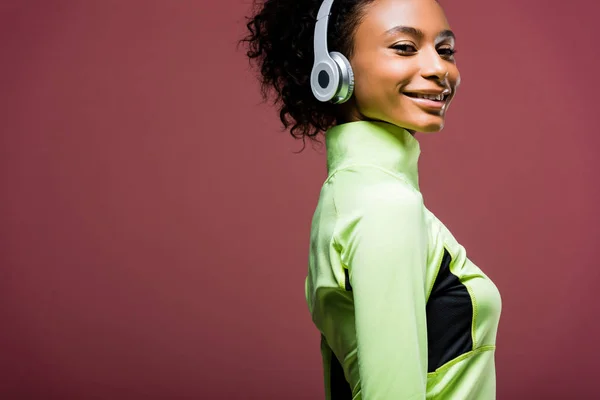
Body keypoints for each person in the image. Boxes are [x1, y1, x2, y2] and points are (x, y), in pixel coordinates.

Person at [241, 0, 502, 398]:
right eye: (404, 47)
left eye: (445, 50)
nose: (439, 69)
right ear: (333, 70)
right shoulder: (384, 205)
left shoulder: (350, 193)